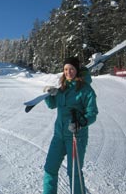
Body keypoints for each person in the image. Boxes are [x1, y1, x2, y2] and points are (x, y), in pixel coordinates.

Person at [42, 56, 98, 194]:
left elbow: (92, 113)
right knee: (50, 168)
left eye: (71, 69)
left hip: (76, 136)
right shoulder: (63, 87)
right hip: (59, 135)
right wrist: (49, 94)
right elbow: (52, 105)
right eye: (66, 69)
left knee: (74, 172)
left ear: (77, 70)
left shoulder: (86, 90)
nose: (68, 72)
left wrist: (81, 122)